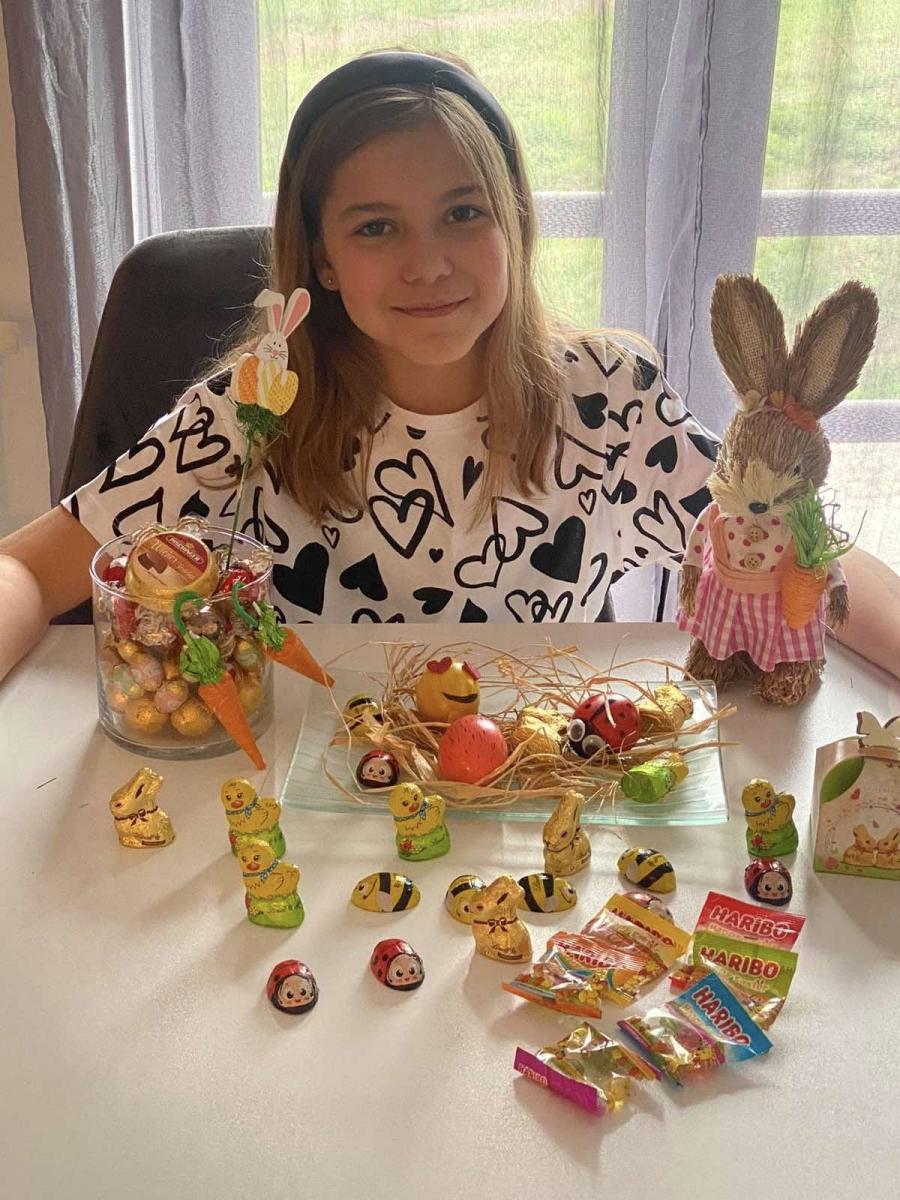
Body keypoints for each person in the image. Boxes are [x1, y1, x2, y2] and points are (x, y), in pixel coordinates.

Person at [0, 49, 898, 685]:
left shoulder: (610, 401)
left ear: (515, 224)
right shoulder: (257, 410)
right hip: (316, 807)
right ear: (321, 259)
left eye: (464, 213)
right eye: (376, 227)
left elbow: (803, 552)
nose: (427, 264)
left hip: (547, 797)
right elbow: (33, 570)